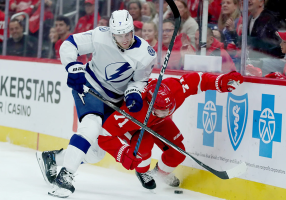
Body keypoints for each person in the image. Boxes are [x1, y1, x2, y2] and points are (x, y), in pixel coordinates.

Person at [36, 10, 156, 198]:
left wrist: (134, 93)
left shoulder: (146, 54)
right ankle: (65, 176)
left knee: (97, 152)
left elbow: (139, 81)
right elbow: (70, 44)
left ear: (133, 30)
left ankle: (53, 157)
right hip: (88, 86)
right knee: (91, 124)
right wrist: (72, 67)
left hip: (114, 99)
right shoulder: (101, 35)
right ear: (111, 32)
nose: (124, 39)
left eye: (127, 34)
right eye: (119, 35)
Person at [98, 71, 244, 190]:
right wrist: (122, 154)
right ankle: (142, 172)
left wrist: (221, 81)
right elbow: (104, 135)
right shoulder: (130, 110)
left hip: (156, 122)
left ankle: (159, 174)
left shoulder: (175, 90)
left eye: (169, 110)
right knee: (144, 146)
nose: (166, 113)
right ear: (149, 105)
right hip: (135, 126)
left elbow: (198, 79)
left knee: (178, 152)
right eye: (161, 111)